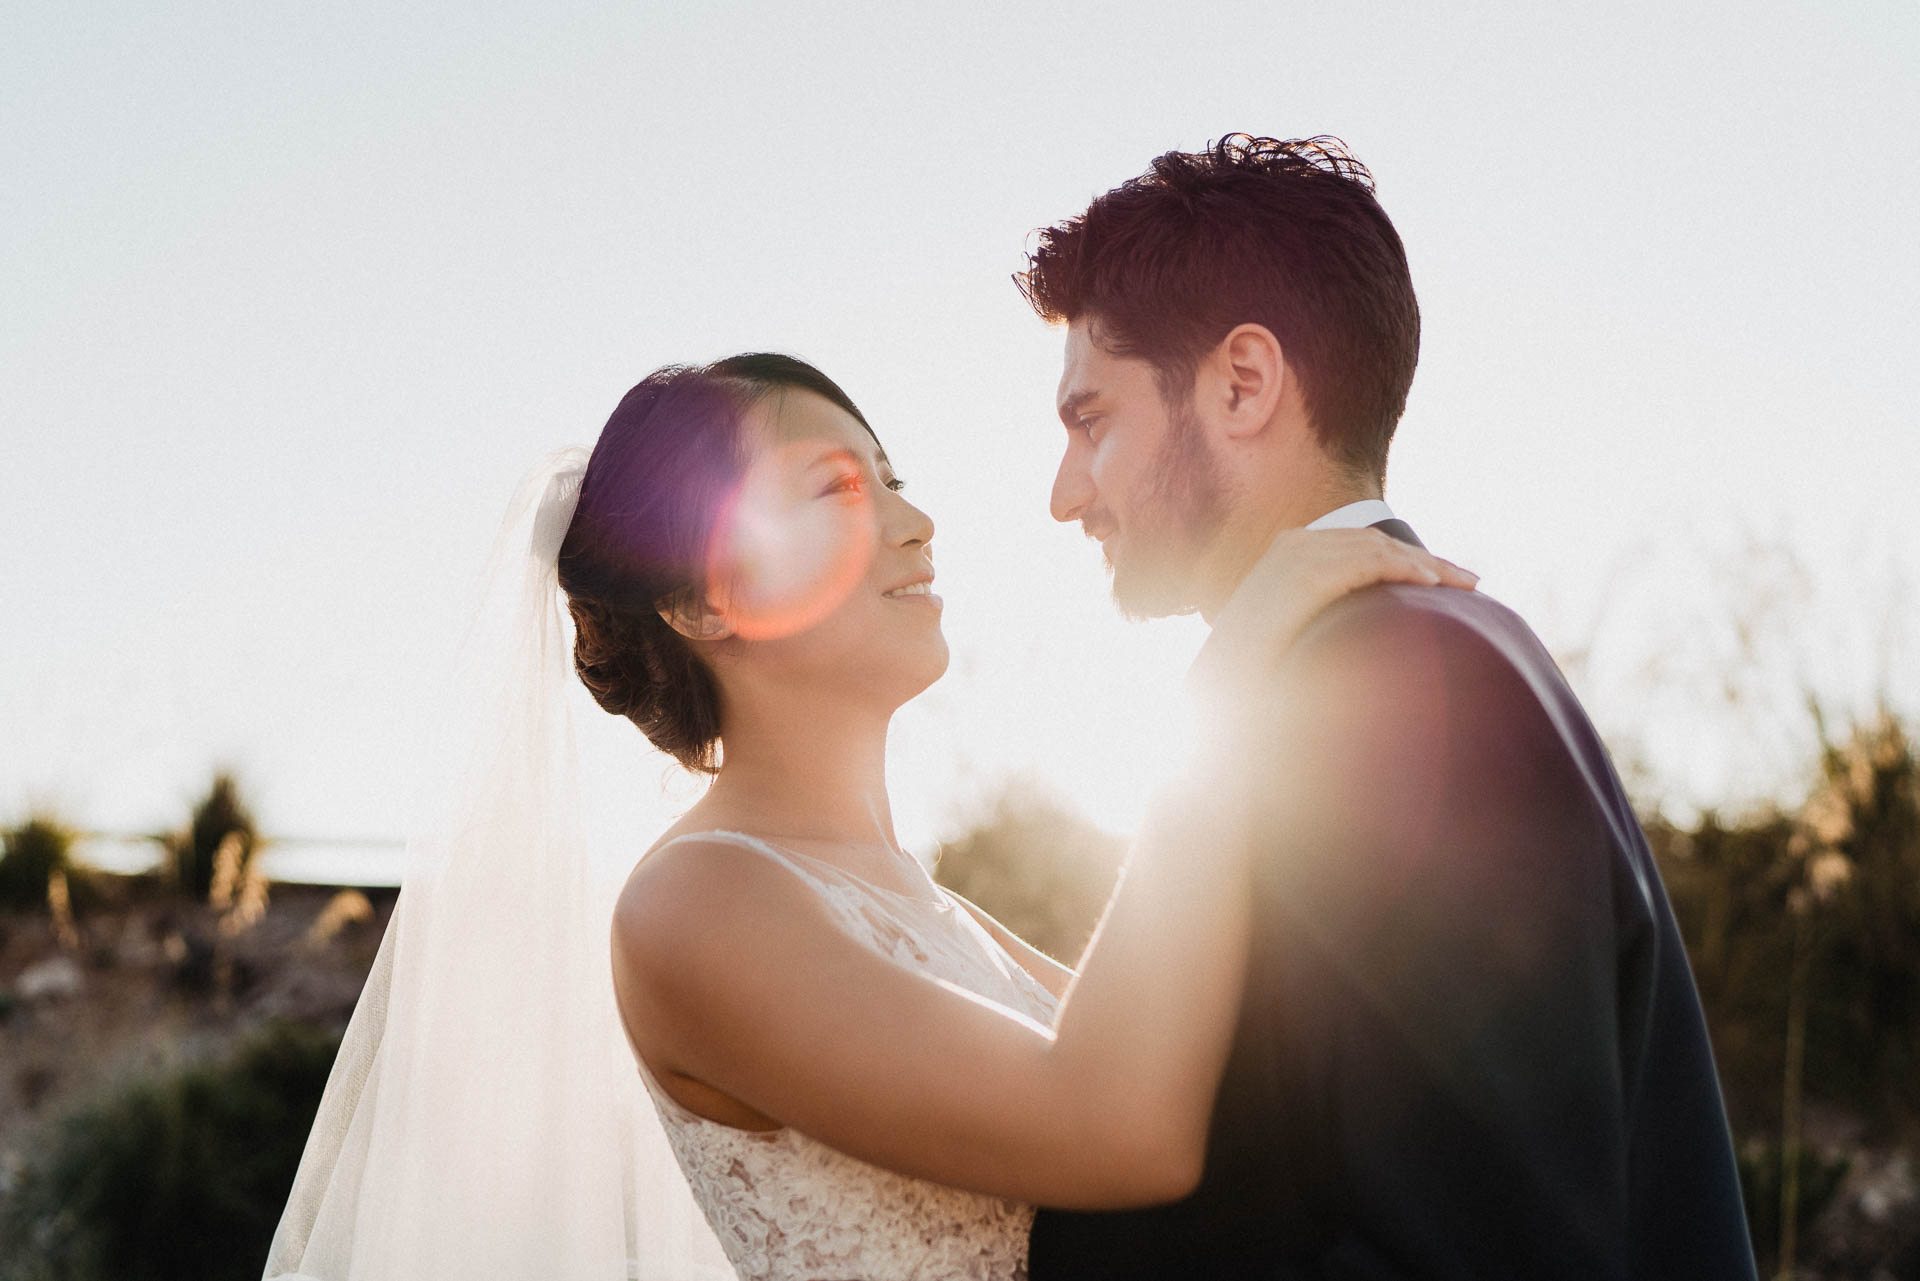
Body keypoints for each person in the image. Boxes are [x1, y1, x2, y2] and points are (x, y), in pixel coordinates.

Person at [263, 351, 1471, 1281]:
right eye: (836, 489)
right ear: (706, 600)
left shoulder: (931, 909)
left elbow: (1223, 1091)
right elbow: (1120, 1127)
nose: (913, 520)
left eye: (891, 479)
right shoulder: (695, 904)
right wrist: (1233, 677)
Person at [1017, 135, 1760, 1279]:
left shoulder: (1399, 682)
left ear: (1243, 383)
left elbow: (1474, 1251)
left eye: (1091, 420)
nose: (1066, 495)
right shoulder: (1394, 659)